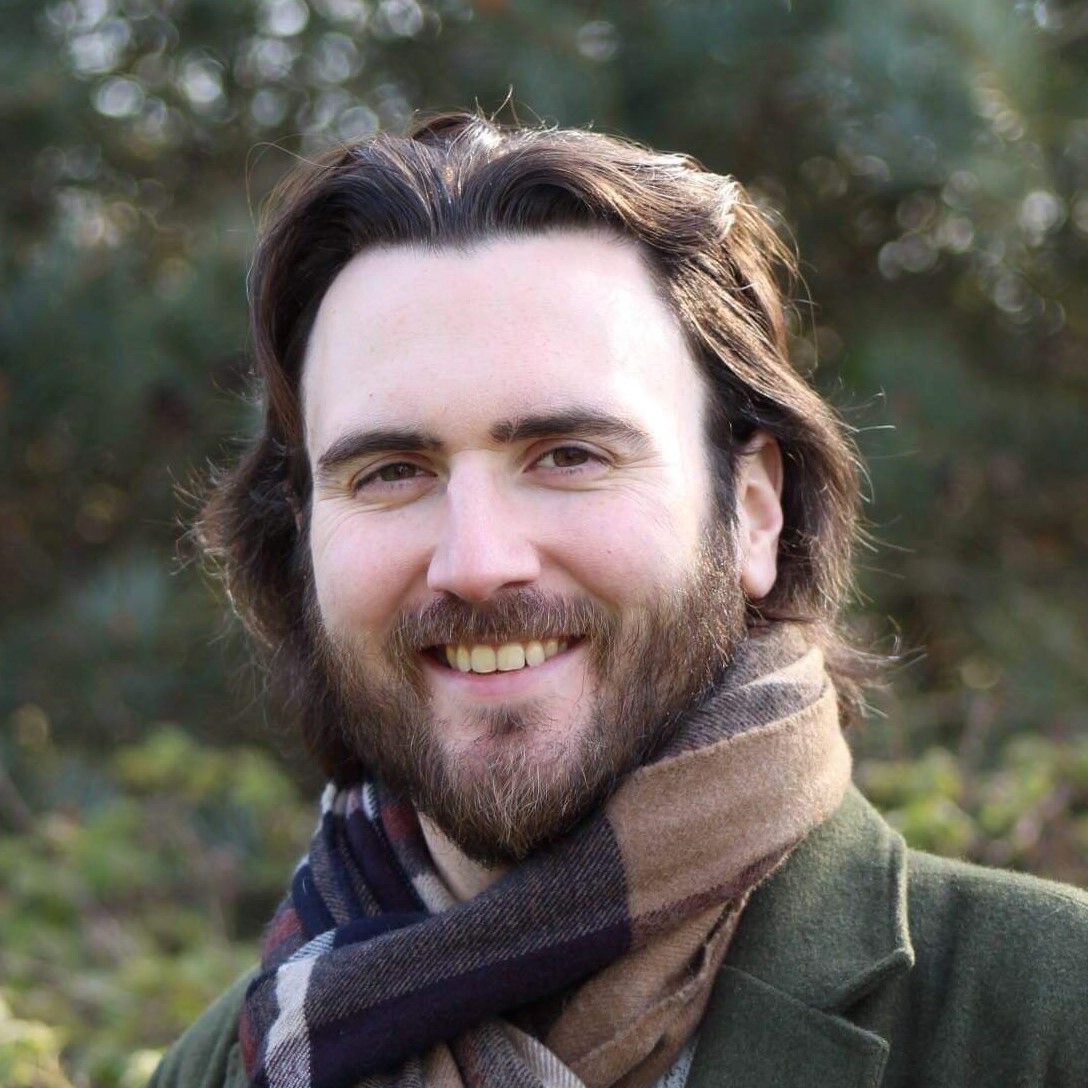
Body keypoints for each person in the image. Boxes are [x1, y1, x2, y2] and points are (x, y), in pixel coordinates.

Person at [151, 113, 1087, 1088]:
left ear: (754, 510)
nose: (477, 562)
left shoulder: (1047, 1018)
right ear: (301, 536)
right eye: (391, 472)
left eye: (568, 455)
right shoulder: (222, 1067)